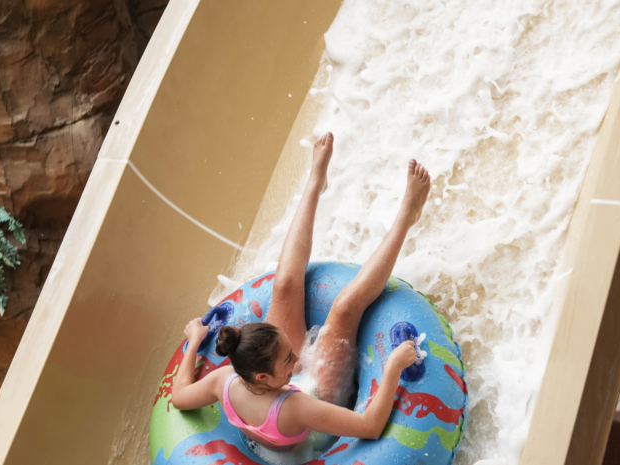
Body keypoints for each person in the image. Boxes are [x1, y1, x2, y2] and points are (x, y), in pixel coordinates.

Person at [171, 132, 432, 451]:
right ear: (263, 377)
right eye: (289, 358)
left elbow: (179, 396)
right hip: (311, 416)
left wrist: (195, 342)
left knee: (284, 284)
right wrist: (391, 366)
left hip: (278, 404)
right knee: (345, 307)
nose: (300, 355)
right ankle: (407, 217)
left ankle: (314, 183)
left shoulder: (222, 380)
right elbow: (371, 427)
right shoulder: (299, 407)